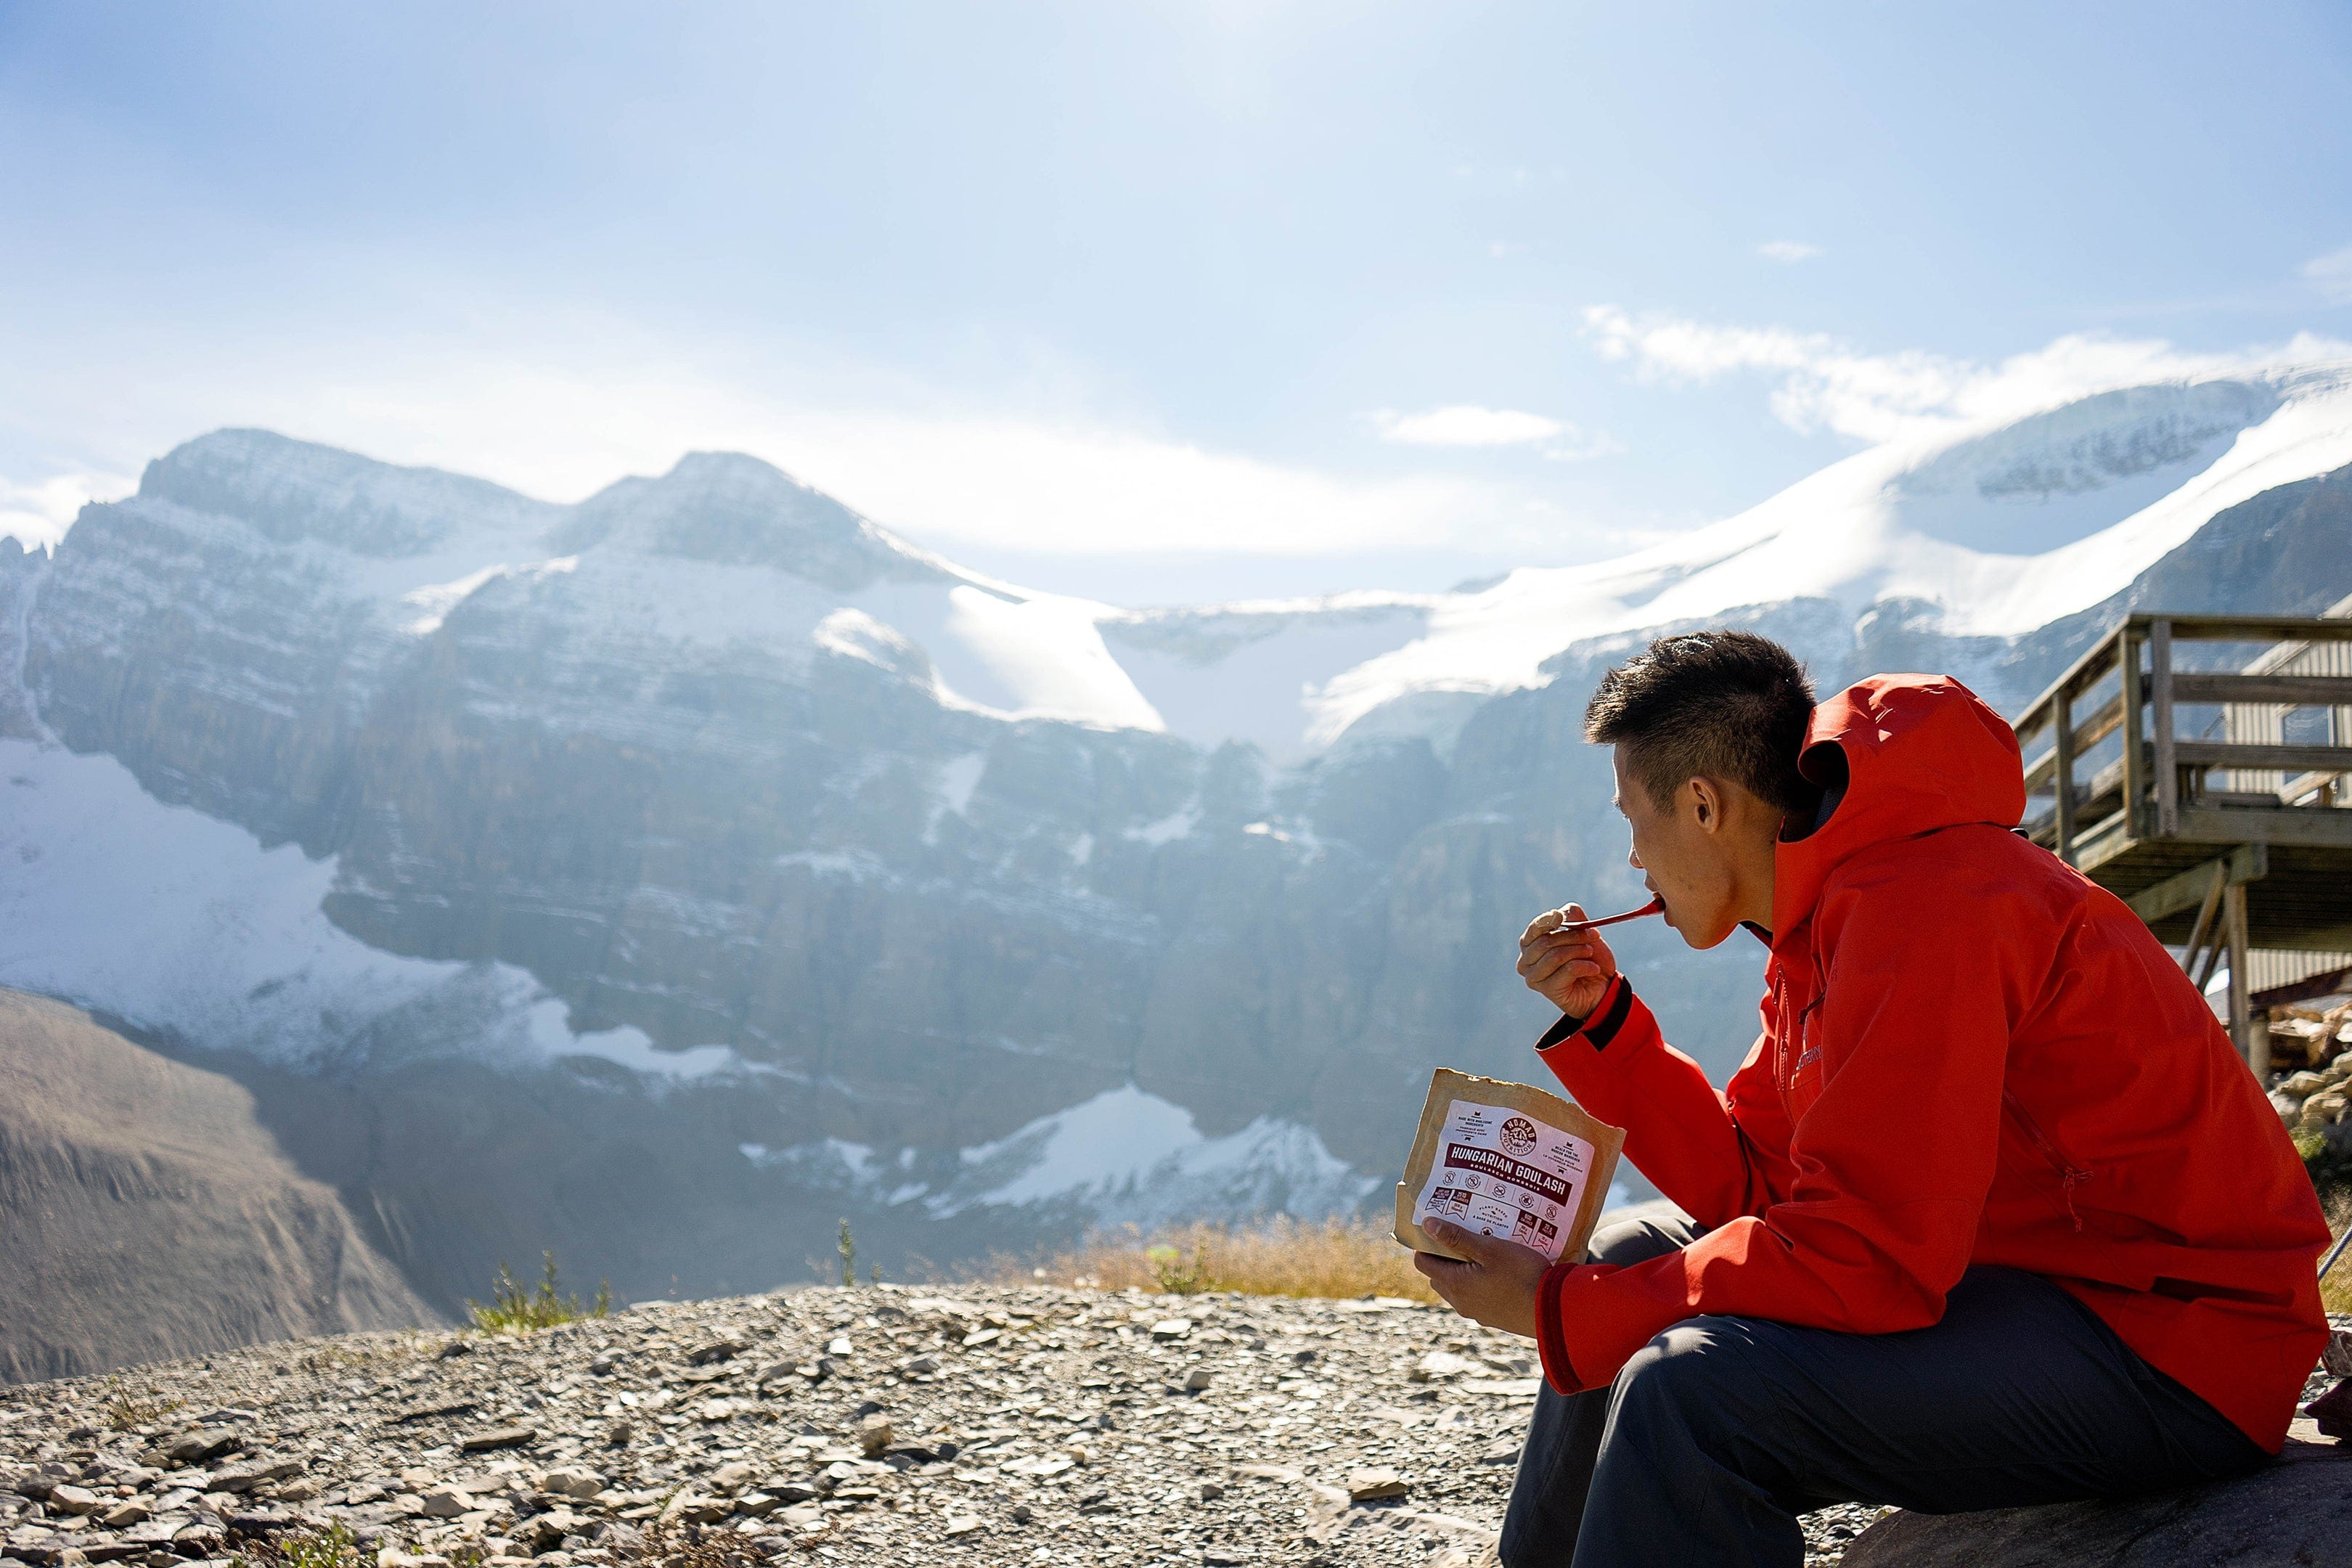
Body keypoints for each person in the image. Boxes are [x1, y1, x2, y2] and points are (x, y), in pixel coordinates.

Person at [1410, 629, 2330, 1568]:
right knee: (1632, 1247)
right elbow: (1757, 1184)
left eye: (1632, 822)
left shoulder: (1929, 907)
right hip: (2029, 1289)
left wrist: (1565, 1311)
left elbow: (1869, 1255)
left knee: (1693, 1394)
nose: (1633, 861)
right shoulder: (1825, 923)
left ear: (1701, 805)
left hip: (2174, 1346)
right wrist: (1605, 1024)